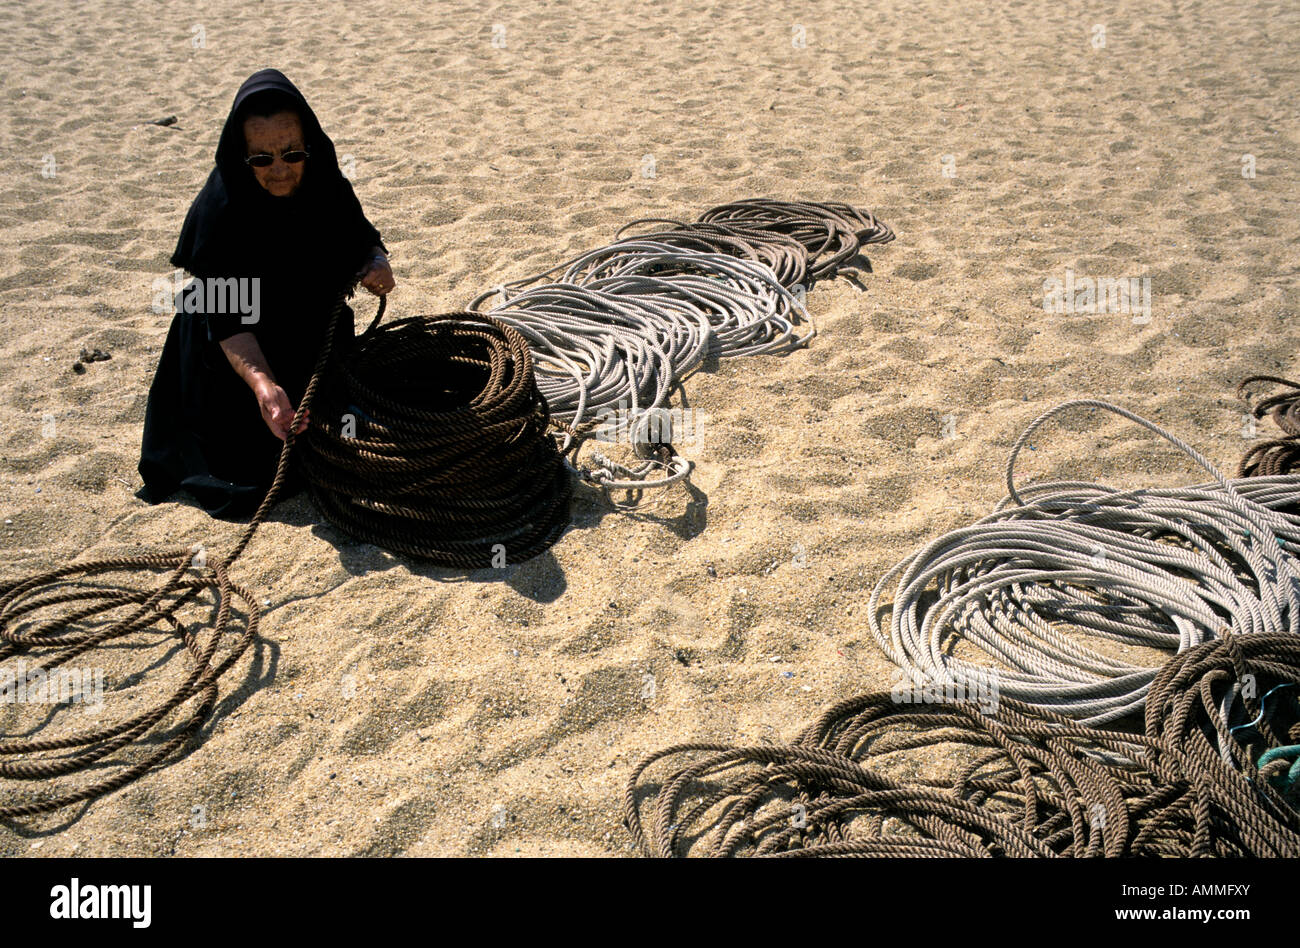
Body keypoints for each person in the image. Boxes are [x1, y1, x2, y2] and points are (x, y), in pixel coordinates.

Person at [137, 68, 395, 519]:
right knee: (253, 468)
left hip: (308, 331)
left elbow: (361, 239)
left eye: (291, 154)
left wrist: (376, 263)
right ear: (242, 155)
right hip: (229, 346)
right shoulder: (219, 211)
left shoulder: (327, 185)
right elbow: (228, 320)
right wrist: (264, 386)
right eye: (261, 159)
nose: (279, 170)